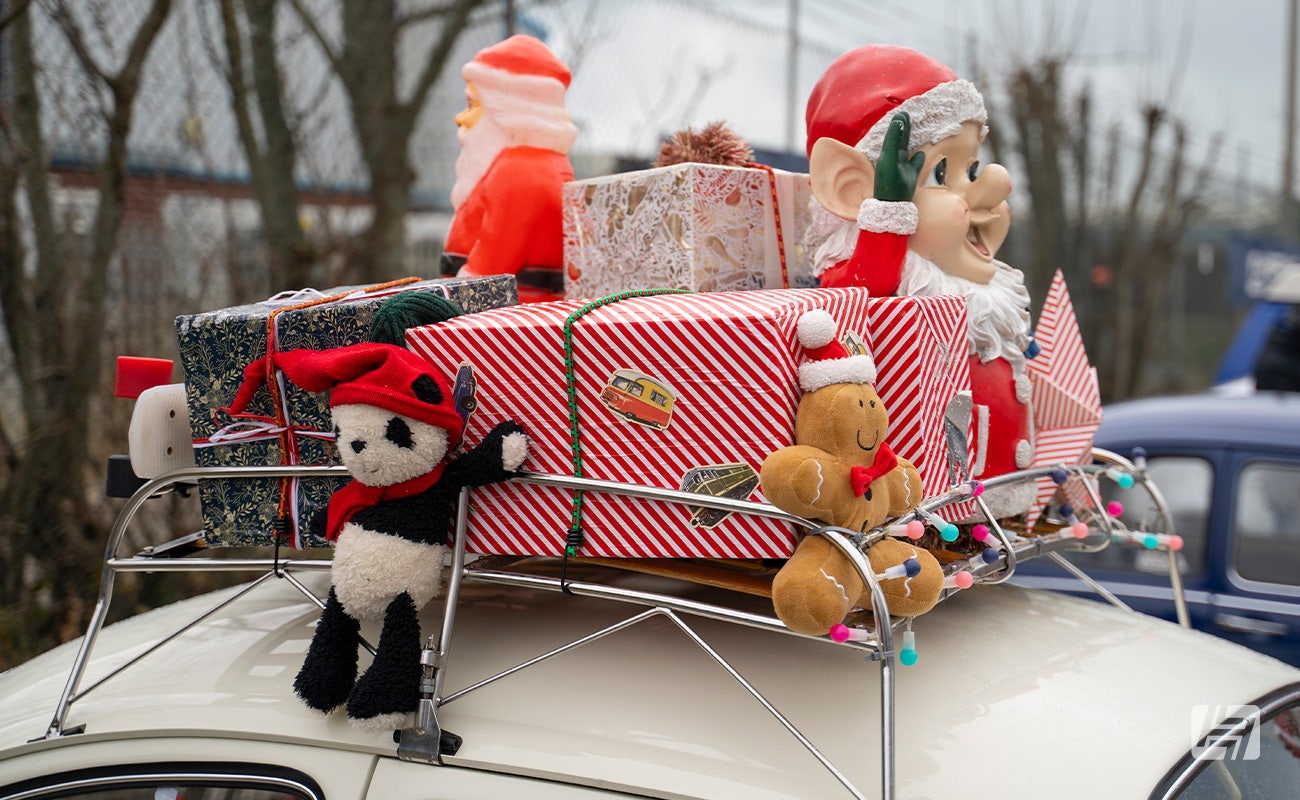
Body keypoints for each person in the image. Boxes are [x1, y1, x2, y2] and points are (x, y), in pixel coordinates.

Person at [804, 44, 1035, 513]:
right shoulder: (876, 271)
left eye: (972, 168)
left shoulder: (982, 295)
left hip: (988, 505)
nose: (993, 185)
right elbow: (860, 295)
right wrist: (888, 214)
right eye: (941, 174)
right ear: (854, 190)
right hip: (921, 506)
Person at [441, 35, 578, 303]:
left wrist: (444, 309)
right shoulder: (547, 165)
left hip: (502, 323)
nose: (461, 117)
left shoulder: (521, 173)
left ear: (504, 109)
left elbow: (483, 278)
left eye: (472, 105)